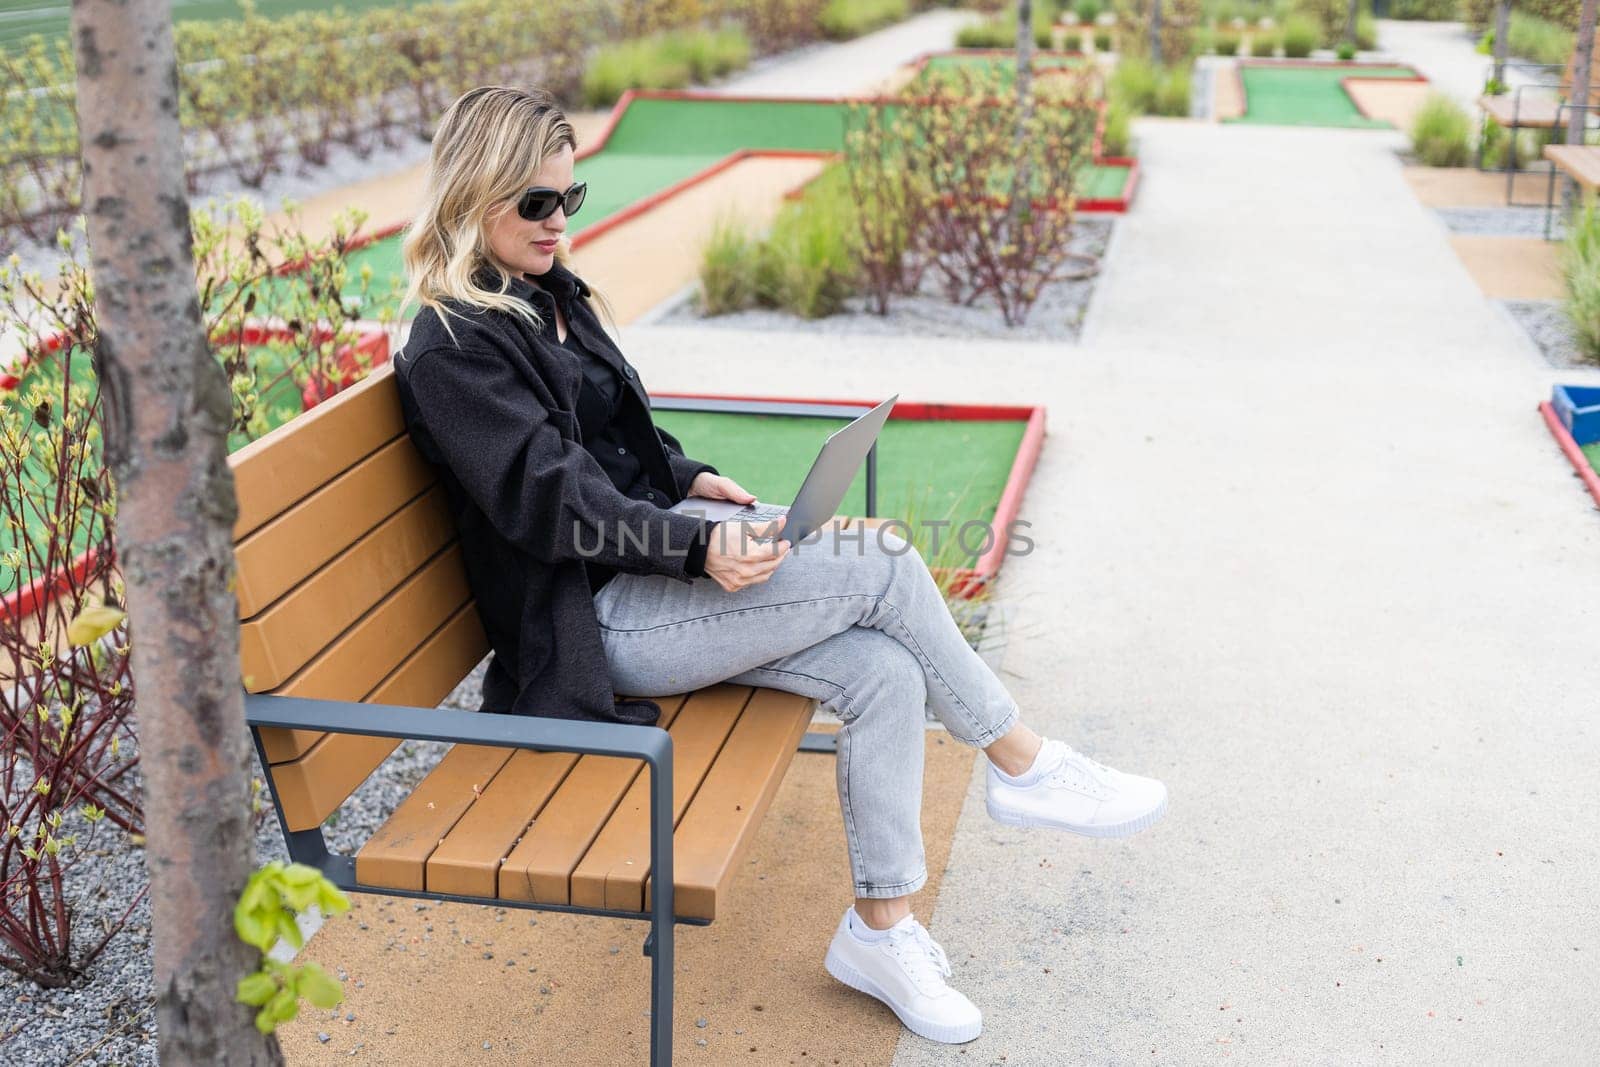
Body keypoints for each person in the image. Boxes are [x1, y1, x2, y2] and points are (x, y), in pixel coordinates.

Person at [395, 85, 1168, 1045]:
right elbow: (549, 496)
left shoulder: (550, 297)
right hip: (591, 623)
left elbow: (617, 441)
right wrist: (696, 544)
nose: (560, 222)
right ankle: (1022, 761)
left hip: (651, 563)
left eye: (570, 198)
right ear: (474, 196)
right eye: (537, 203)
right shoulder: (453, 343)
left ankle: (880, 932)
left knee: (883, 670)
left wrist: (694, 480)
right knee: (883, 562)